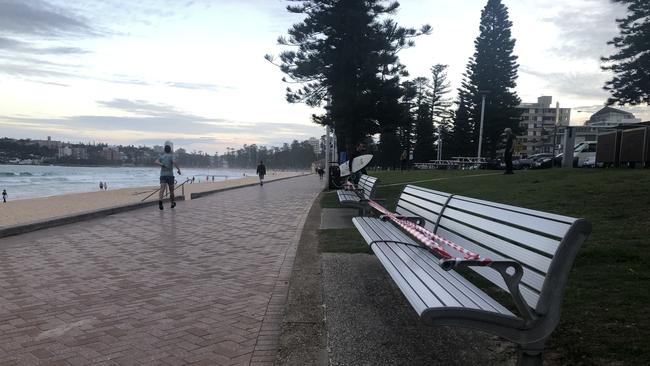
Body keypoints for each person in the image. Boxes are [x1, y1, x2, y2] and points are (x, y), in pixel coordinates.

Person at [154, 144, 181, 210]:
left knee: (162, 189)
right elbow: (174, 162)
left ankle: (160, 201)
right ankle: (172, 203)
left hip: (162, 175)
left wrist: (162, 164)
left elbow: (156, 161)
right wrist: (178, 170)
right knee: (171, 190)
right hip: (170, 176)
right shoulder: (171, 156)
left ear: (164, 150)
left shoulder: (162, 156)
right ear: (170, 150)